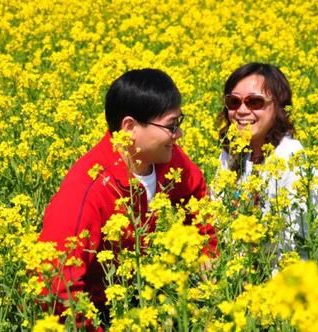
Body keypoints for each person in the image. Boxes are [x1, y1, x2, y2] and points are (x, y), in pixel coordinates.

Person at [38, 68, 217, 325]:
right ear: (130, 128)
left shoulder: (169, 159)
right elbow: (55, 285)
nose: (178, 135)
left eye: (179, 123)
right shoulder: (88, 187)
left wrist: (205, 256)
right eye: (171, 126)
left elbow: (196, 193)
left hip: (147, 299)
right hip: (100, 313)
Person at [216, 62, 318, 286]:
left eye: (255, 102)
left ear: (279, 107)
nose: (242, 111)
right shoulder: (231, 155)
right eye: (233, 102)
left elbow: (293, 242)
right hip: (245, 282)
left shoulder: (291, 160)